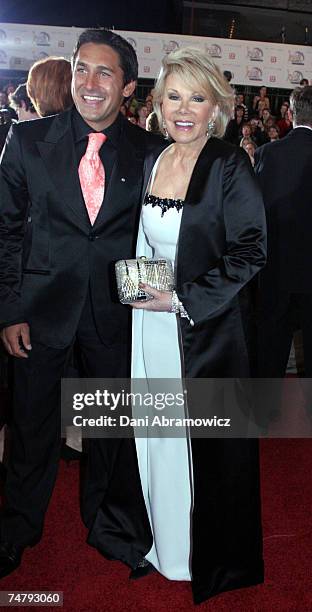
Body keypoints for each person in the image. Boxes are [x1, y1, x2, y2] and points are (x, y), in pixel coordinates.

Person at [89, 46, 267, 604]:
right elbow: (145, 243)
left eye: (197, 97)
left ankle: (201, 555)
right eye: (174, 96)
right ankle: (163, 544)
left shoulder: (228, 164)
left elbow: (250, 251)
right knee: (155, 439)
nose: (184, 109)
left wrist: (181, 300)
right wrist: (136, 290)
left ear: (215, 106)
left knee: (202, 448)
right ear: (158, 104)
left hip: (202, 332)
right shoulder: (154, 158)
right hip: (150, 329)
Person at [0, 27, 162, 578]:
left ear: (128, 87)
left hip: (116, 316)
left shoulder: (149, 151)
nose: (90, 83)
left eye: (105, 72)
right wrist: (10, 309)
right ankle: (17, 529)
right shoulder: (27, 140)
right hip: (39, 313)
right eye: (81, 69)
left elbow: (155, 238)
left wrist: (149, 313)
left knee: (110, 432)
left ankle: (108, 528)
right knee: (31, 427)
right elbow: (4, 233)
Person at [255, 85, 312, 377]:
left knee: (270, 347)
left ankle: (263, 412)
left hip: (274, 267)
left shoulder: (267, 153)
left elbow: (255, 212)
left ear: (289, 114)